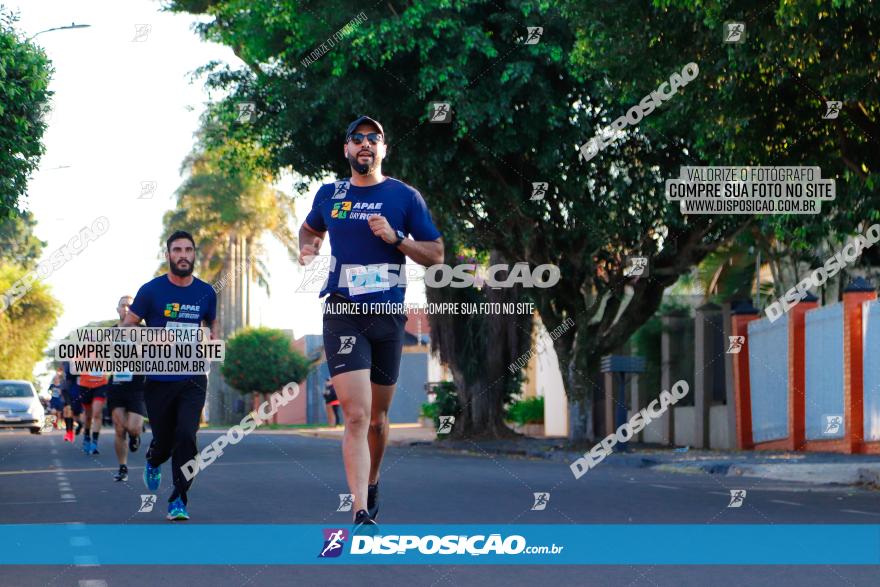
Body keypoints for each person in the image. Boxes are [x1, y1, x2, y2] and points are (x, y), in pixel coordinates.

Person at [298, 116, 443, 531]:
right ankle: (359, 508)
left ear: (384, 149)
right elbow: (309, 229)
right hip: (343, 311)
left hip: (388, 316)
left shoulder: (404, 196)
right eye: (357, 138)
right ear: (346, 149)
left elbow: (436, 254)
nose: (365, 144)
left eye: (373, 138)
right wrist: (308, 250)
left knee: (379, 419)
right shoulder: (331, 194)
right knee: (357, 416)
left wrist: (397, 240)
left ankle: (373, 480)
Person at [122, 230, 218, 521]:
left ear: (193, 255)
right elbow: (128, 328)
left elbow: (213, 327)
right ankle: (154, 459)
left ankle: (179, 499)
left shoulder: (206, 292)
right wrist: (152, 338)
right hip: (159, 379)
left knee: (186, 435)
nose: (183, 255)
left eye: (188, 250)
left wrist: (213, 339)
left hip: (193, 376)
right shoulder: (151, 290)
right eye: (177, 250)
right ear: (169, 256)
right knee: (164, 440)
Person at [108, 295, 148, 482]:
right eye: (122, 305)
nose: (126, 309)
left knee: (133, 427)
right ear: (117, 309)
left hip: (137, 385)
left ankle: (136, 436)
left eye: (130, 306)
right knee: (118, 428)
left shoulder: (144, 331)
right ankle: (122, 467)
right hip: (116, 384)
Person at [78, 369, 109, 455]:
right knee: (88, 416)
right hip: (85, 385)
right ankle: (87, 437)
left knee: (97, 414)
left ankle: (95, 442)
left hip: (101, 384)